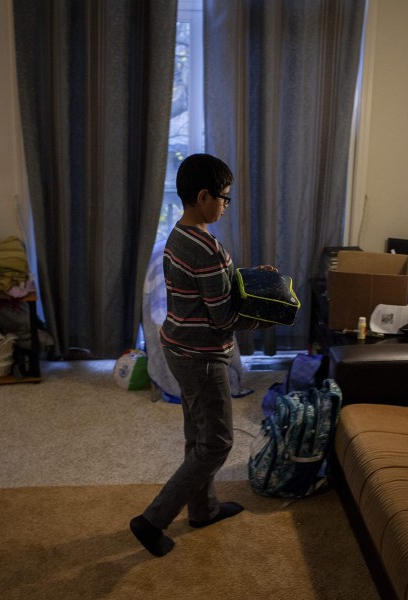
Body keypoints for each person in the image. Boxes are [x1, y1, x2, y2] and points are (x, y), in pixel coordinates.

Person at [130, 153, 275, 557]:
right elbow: (223, 316)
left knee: (198, 435)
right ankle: (152, 520)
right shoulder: (208, 247)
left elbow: (213, 288)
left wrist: (246, 278)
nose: (227, 205)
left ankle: (204, 509)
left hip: (178, 346)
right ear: (202, 195)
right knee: (217, 444)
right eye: (224, 197)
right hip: (203, 355)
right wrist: (263, 317)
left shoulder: (179, 235)